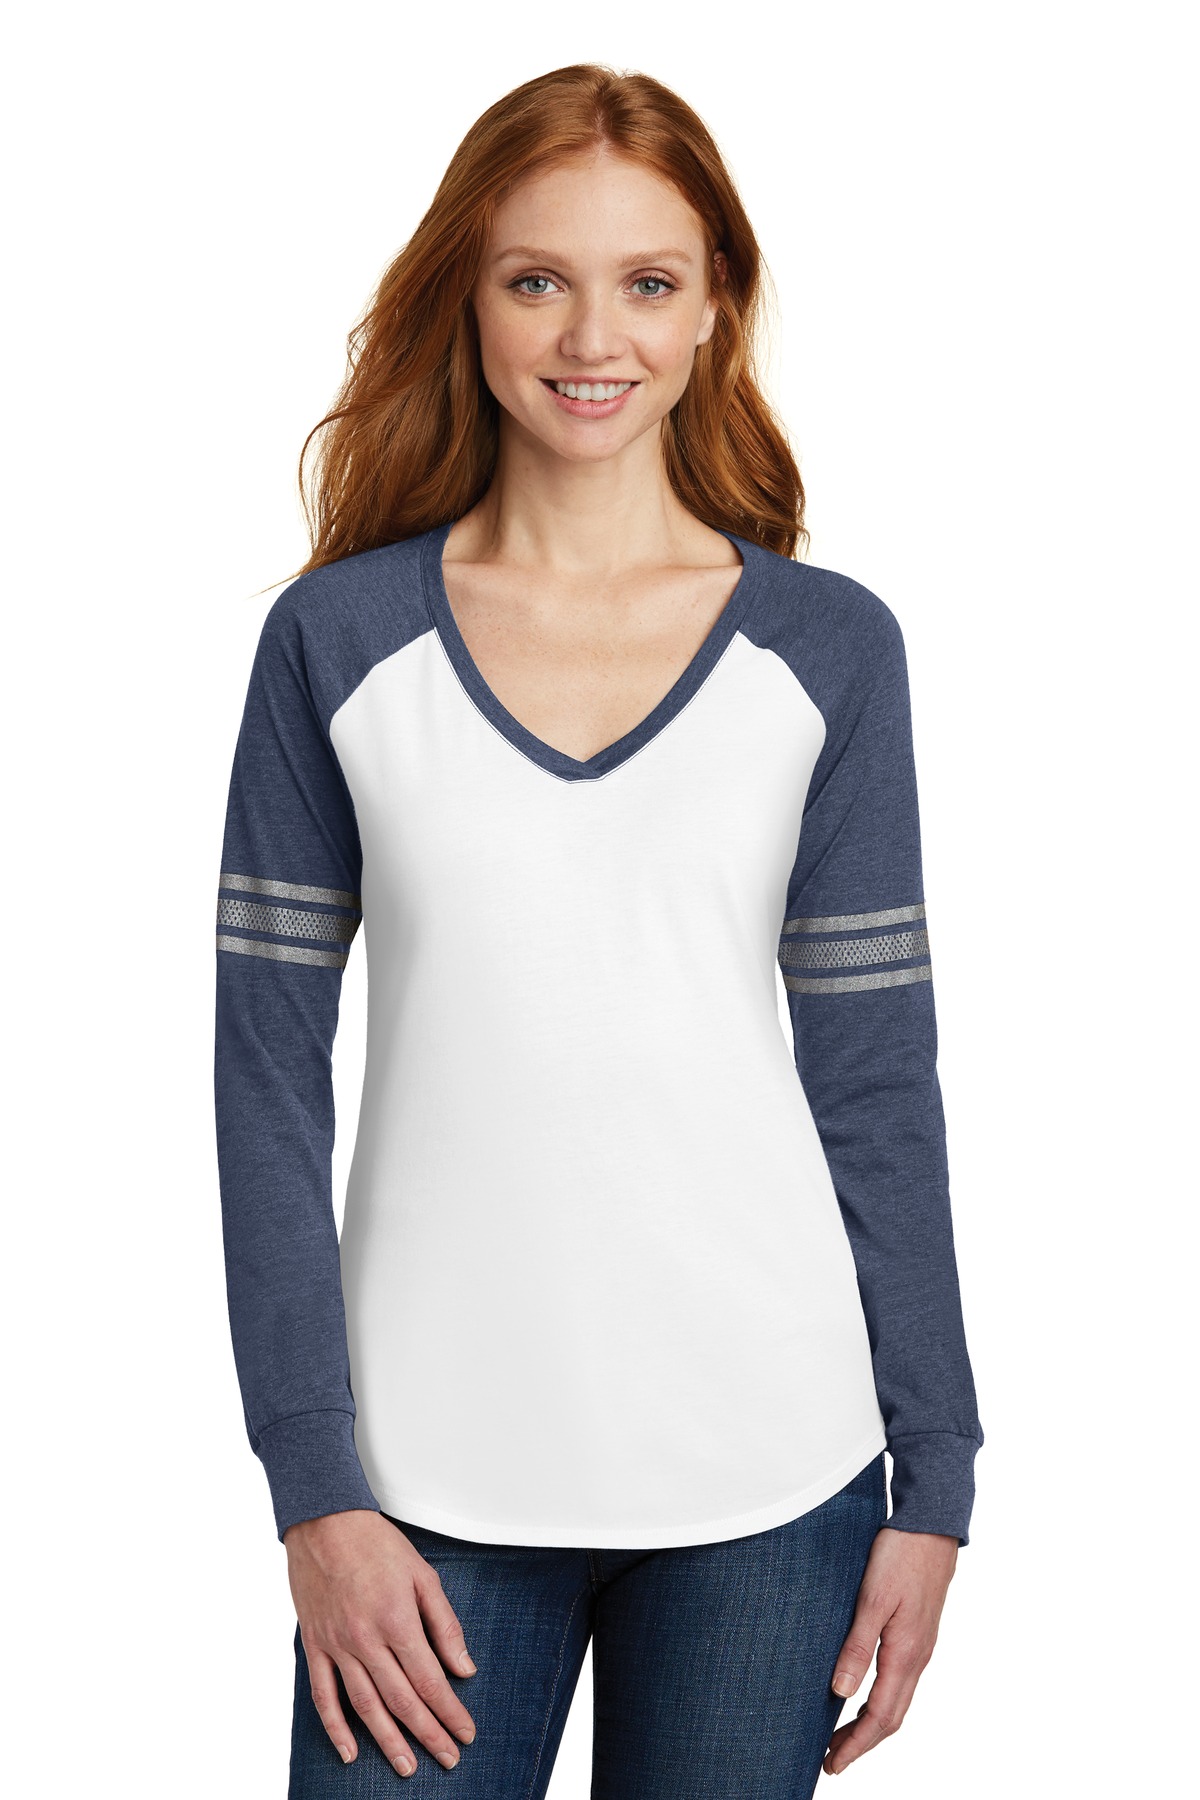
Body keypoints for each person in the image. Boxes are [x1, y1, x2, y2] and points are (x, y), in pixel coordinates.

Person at [213, 62, 984, 1799]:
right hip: (418, 1491)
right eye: (536, 278)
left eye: (646, 281)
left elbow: (878, 1084)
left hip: (769, 1481)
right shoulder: (337, 644)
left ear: (715, 310)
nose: (591, 336)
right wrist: (315, 1488)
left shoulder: (829, 651)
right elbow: (262, 1081)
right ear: (469, 298)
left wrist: (935, 1473)